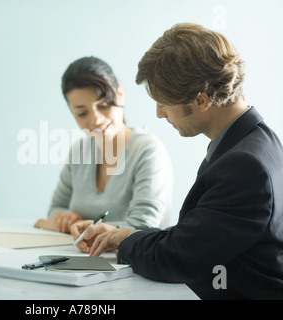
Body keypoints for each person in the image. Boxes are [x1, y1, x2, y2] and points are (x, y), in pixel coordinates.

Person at [70, 23, 283, 299]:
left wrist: (127, 242)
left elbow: (179, 258)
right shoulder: (255, 141)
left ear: (202, 100)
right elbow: (198, 234)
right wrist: (124, 235)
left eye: (163, 103)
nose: (159, 114)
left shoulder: (244, 165)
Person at [34, 56, 173, 233]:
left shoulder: (148, 151)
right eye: (82, 113)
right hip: (80, 258)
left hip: (129, 260)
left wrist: (81, 228)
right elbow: (56, 209)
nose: (96, 120)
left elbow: (143, 226)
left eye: (104, 105)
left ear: (120, 95)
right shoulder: (79, 151)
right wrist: (64, 218)